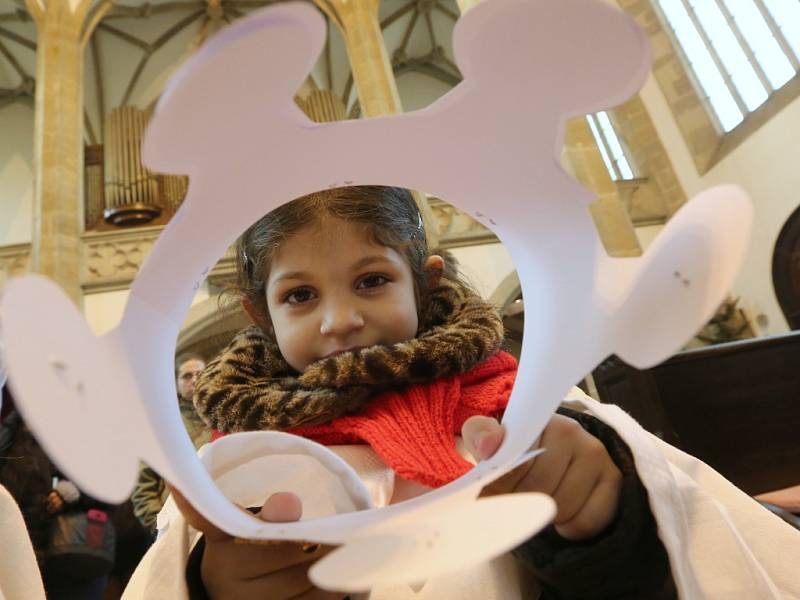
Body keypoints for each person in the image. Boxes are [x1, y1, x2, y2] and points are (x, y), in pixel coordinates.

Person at [124, 186, 800, 600]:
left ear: (422, 283)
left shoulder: (523, 402)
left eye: (371, 280)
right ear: (260, 315)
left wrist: (600, 518)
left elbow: (689, 553)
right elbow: (176, 568)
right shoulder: (242, 459)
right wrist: (217, 584)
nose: (341, 319)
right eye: (300, 295)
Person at [130, 353, 212, 537]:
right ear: (175, 383)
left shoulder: (223, 417)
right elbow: (143, 485)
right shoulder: (160, 425)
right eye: (187, 376)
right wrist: (160, 525)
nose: (195, 380)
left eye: (201, 373)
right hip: (178, 525)